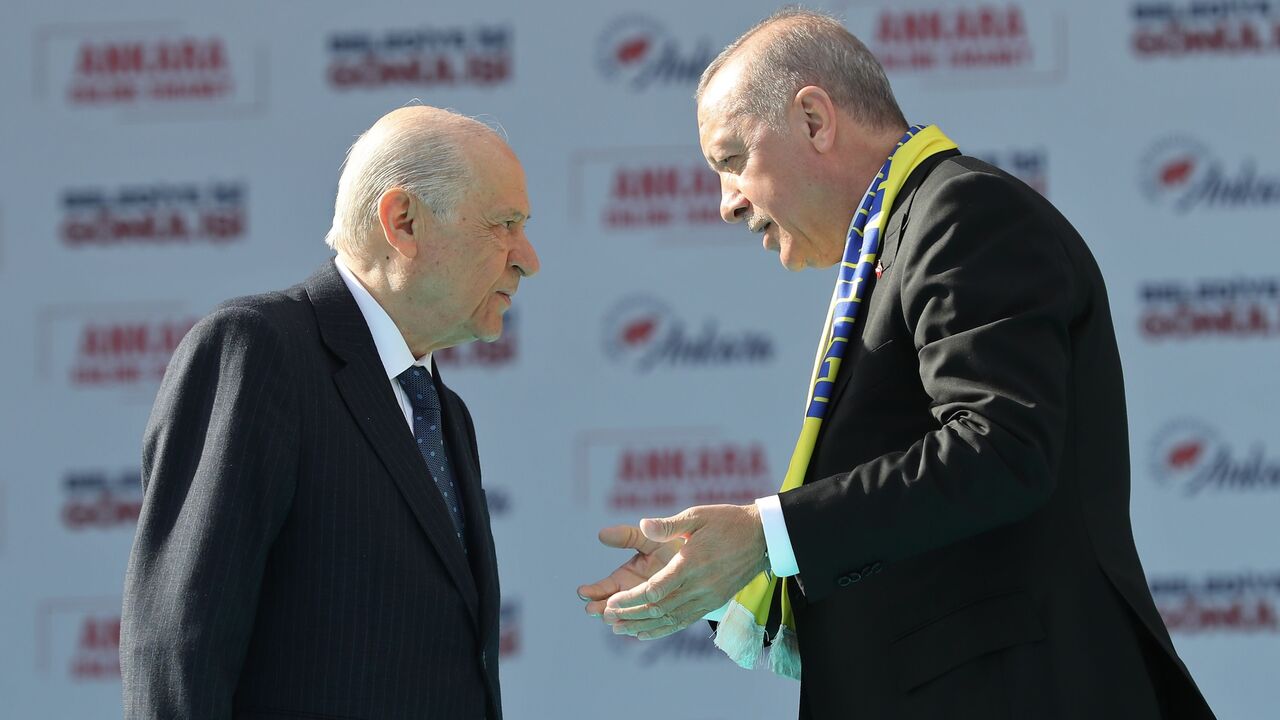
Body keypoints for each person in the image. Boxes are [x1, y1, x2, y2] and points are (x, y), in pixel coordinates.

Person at [578, 9, 1215, 719]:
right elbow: (910, 527)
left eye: (731, 161)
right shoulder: (903, 238)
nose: (727, 204)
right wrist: (730, 563)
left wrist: (768, 536)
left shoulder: (963, 213)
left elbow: (998, 451)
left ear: (815, 120)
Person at [121, 106, 538, 719]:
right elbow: (178, 643)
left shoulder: (444, 410)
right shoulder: (259, 351)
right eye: (504, 224)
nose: (527, 257)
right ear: (403, 222)